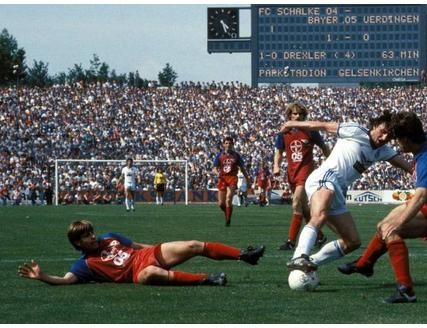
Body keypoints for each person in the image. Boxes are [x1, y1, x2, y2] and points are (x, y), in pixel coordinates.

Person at [337, 112, 427, 303]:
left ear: (406, 139)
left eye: (398, 139)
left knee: (391, 230)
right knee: (382, 225)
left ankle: (406, 290)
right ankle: (365, 264)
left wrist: (399, 223)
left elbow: (420, 198)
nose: (396, 144)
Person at [284, 110, 413, 274]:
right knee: (320, 215)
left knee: (352, 242)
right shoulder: (355, 131)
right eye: (383, 132)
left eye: (388, 137)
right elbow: (322, 126)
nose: (383, 138)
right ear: (374, 125)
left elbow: (404, 165)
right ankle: (299, 255)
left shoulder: (383, 150)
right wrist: (291, 124)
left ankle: (310, 262)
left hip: (338, 191)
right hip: (325, 178)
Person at [18, 220, 265, 286]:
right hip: (137, 272)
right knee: (149, 274)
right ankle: (207, 279)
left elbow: (138, 246)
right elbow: (65, 280)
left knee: (192, 244)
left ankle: (244, 255)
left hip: (145, 256)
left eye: (91, 232)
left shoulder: (110, 237)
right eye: (86, 236)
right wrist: (42, 276)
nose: (92, 236)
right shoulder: (85, 264)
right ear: (78, 242)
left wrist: (163, 248)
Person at [273, 103, 331, 251]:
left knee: (296, 202)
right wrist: (276, 166)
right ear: (289, 116)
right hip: (292, 173)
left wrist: (331, 163)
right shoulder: (284, 134)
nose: (297, 116)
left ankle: (291, 241)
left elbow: (324, 148)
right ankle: (319, 236)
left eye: (300, 114)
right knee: (305, 209)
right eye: (294, 114)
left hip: (306, 173)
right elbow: (278, 152)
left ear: (304, 116)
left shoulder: (311, 132)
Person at [213, 136, 250, 226]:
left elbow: (242, 168)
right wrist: (217, 173)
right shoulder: (220, 155)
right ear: (223, 145)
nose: (228, 145)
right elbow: (214, 168)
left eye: (230, 143)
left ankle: (228, 220)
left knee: (228, 198)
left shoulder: (236, 155)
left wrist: (247, 178)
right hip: (222, 178)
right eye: (226, 143)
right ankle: (227, 213)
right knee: (221, 203)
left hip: (232, 178)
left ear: (232, 144)